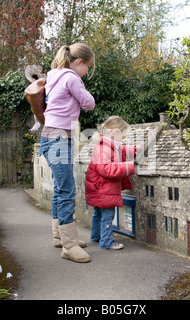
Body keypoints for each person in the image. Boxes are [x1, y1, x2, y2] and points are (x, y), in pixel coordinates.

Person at [38, 43, 95, 263]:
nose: (86, 72)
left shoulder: (53, 75)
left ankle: (59, 237)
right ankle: (69, 246)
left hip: (51, 137)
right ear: (79, 62)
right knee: (67, 190)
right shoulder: (71, 77)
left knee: (60, 188)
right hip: (60, 138)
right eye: (87, 67)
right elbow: (89, 104)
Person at [85, 116, 139, 250]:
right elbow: (106, 169)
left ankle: (96, 236)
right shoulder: (104, 149)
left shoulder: (106, 145)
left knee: (98, 214)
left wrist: (136, 149)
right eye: (123, 135)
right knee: (108, 216)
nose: (124, 138)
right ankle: (106, 242)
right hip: (103, 189)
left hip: (98, 187)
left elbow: (120, 151)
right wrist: (129, 167)